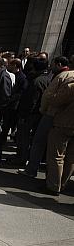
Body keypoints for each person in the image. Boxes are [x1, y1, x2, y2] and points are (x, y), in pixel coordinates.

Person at [41, 60, 74, 195]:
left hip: (65, 121)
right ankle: (62, 184)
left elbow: (57, 99)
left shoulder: (68, 77)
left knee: (57, 155)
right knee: (71, 157)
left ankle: (54, 185)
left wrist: (50, 98)